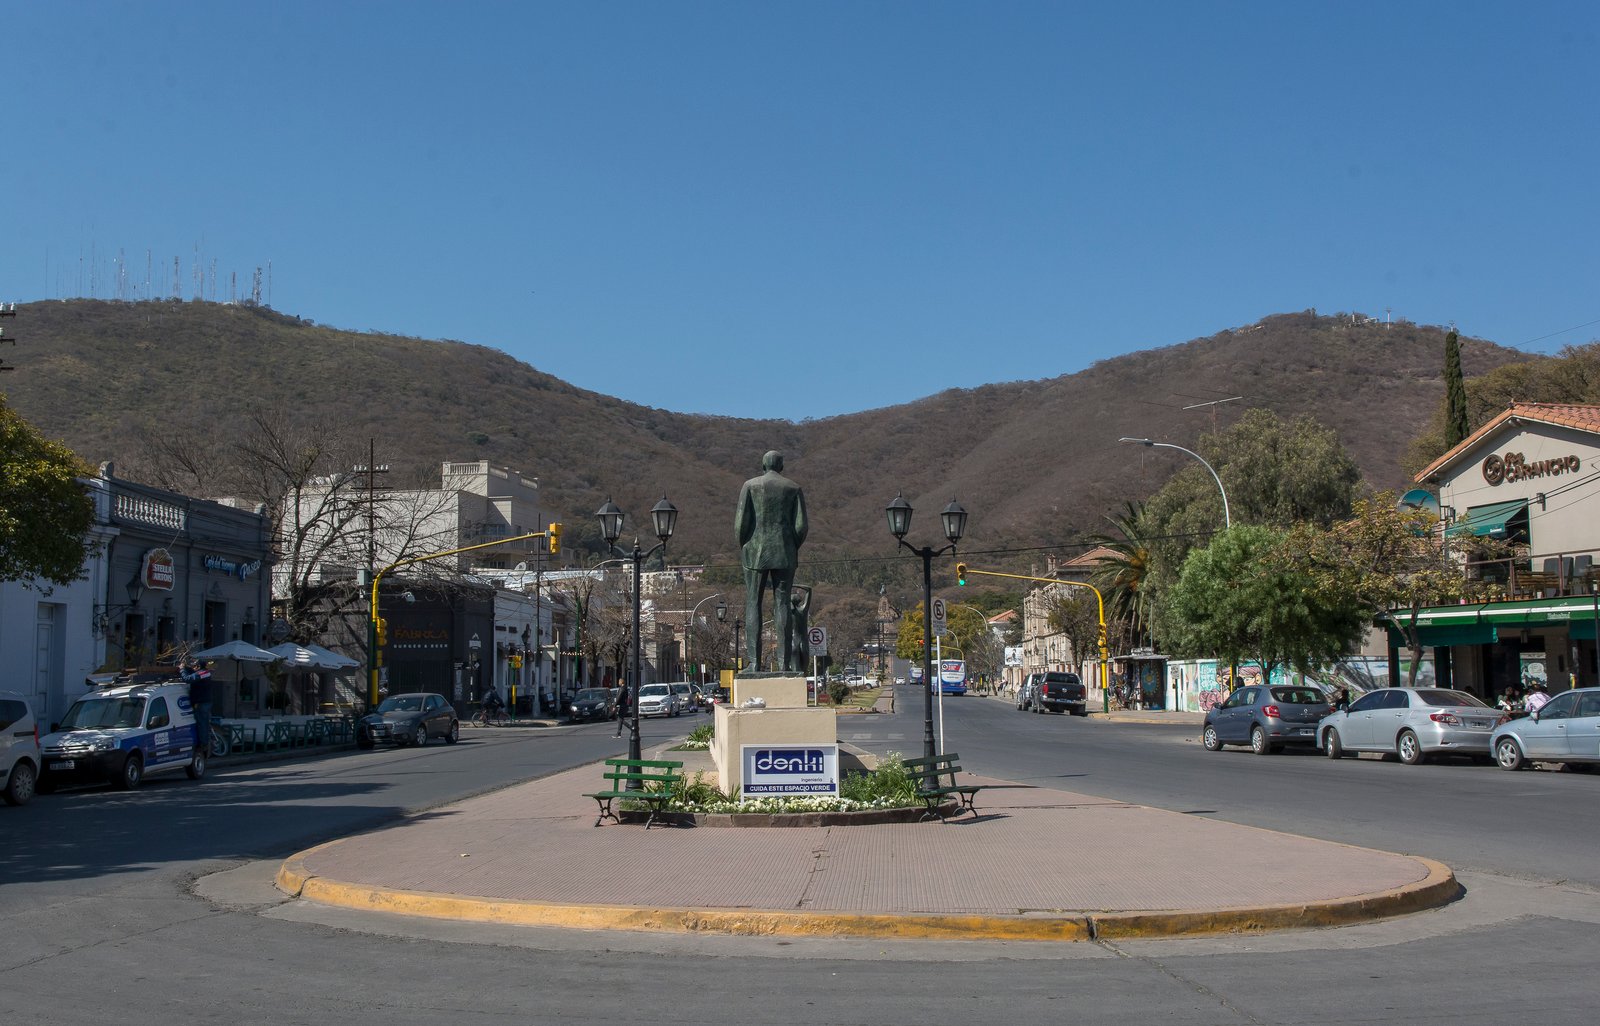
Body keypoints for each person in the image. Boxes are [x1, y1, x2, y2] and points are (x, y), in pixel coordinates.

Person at [735, 450, 809, 672]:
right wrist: (791, 545)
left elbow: (741, 523)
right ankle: (785, 663)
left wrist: (746, 546)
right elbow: (801, 526)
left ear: (762, 465)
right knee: (783, 604)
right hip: (785, 551)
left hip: (755, 551)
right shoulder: (793, 488)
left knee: (753, 603)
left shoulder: (750, 486)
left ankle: (755, 663)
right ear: (782, 466)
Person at [181, 656, 214, 756]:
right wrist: (186, 668)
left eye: (195, 666)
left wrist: (182, 669)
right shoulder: (205, 672)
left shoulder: (202, 673)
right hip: (205, 702)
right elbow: (193, 673)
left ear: (199, 666)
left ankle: (204, 746)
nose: (194, 667)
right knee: (204, 724)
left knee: (202, 724)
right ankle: (206, 745)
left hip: (202, 703)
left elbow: (187, 679)